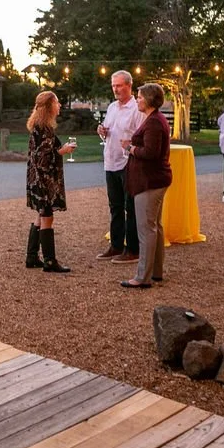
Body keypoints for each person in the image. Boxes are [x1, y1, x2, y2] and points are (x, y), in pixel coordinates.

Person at [119, 84, 172, 288]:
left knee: (146, 229)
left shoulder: (154, 123)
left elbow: (151, 153)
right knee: (155, 227)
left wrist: (130, 148)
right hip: (154, 179)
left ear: (149, 99)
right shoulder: (154, 120)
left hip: (150, 181)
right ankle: (155, 271)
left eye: (140, 97)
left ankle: (142, 277)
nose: (137, 99)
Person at [94, 70, 144, 264]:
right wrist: (102, 131)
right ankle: (116, 245)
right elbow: (108, 131)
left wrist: (131, 145)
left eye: (119, 85)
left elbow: (140, 136)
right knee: (114, 206)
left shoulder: (136, 108)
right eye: (113, 86)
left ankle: (133, 249)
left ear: (129, 86)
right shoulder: (113, 107)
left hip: (128, 163)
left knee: (130, 207)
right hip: (110, 161)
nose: (115, 89)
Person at [25, 91, 76, 273]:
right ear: (49, 106)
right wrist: (62, 151)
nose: (59, 105)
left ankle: (31, 257)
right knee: (47, 216)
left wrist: (60, 150)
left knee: (40, 215)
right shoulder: (44, 129)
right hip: (42, 180)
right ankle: (49, 261)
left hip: (35, 178)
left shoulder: (39, 126)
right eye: (57, 102)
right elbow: (42, 158)